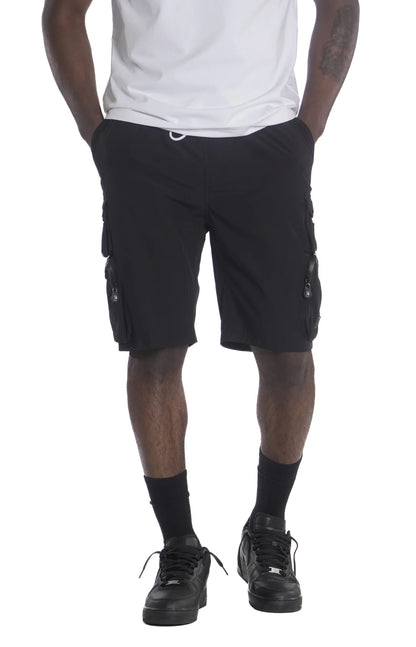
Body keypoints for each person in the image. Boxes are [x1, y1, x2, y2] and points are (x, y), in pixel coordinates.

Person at [42, 0, 360, 626]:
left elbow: (340, 8)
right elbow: (62, 13)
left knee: (289, 350)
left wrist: (307, 131)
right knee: (154, 348)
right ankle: (179, 548)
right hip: (145, 138)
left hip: (267, 139)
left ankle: (268, 529)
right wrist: (98, 135)